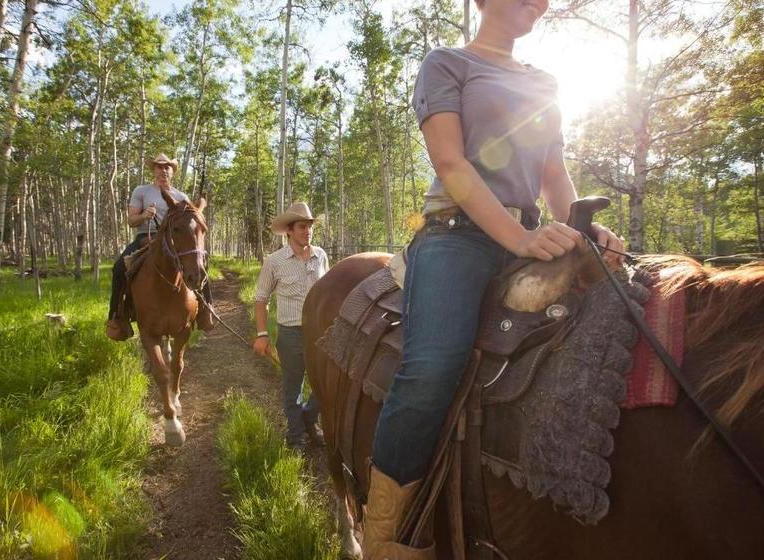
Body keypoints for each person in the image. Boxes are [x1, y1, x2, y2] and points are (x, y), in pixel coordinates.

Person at [363, 0, 626, 557]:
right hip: (455, 236)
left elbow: (553, 173)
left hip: (528, 233)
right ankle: (382, 537)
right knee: (431, 369)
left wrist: (582, 225)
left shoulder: (546, 81)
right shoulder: (447, 63)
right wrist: (520, 239)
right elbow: (450, 163)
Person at [105, 153, 214, 341]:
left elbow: (190, 221)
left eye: (167, 167)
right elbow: (131, 220)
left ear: (172, 171)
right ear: (154, 170)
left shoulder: (181, 196)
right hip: (146, 239)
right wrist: (144, 215)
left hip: (174, 241)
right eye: (159, 167)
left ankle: (206, 310)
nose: (163, 170)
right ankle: (117, 317)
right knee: (119, 268)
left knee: (199, 265)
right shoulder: (141, 191)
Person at [253, 202, 330, 452]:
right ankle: (295, 436)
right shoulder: (275, 261)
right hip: (291, 333)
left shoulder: (321, 256)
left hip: (320, 333)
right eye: (302, 227)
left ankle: (309, 419)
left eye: (310, 226)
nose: (307, 231)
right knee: (292, 387)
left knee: (323, 384)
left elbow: (327, 294)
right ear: (289, 230)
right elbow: (261, 299)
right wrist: (262, 334)